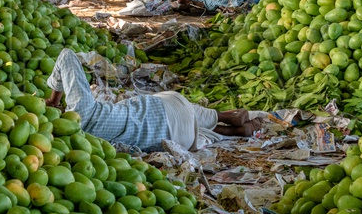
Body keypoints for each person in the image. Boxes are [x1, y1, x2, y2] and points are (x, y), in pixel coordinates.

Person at [46, 49, 260, 151]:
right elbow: (66, 55)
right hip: (169, 110)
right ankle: (230, 118)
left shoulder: (79, 145)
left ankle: (231, 131)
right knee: (200, 115)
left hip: (175, 142)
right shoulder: (83, 113)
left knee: (192, 128)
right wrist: (54, 99)